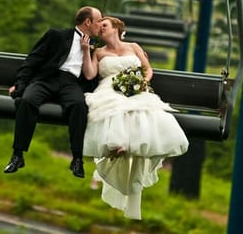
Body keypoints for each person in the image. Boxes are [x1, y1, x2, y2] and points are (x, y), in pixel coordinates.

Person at [80, 16, 189, 219]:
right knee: (116, 105)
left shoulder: (134, 46)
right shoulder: (99, 52)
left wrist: (141, 83)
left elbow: (147, 69)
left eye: (104, 25)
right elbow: (89, 74)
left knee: (142, 108)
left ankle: (129, 146)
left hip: (134, 86)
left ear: (116, 28)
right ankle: (118, 144)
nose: (100, 28)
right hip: (109, 88)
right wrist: (87, 52)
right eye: (99, 26)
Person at [4, 6, 103, 178]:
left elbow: (91, 78)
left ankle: (77, 159)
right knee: (27, 101)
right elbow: (33, 60)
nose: (101, 25)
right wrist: (20, 85)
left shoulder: (94, 48)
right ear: (88, 22)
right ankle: (17, 154)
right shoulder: (57, 35)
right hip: (47, 79)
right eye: (99, 21)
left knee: (79, 106)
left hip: (70, 83)